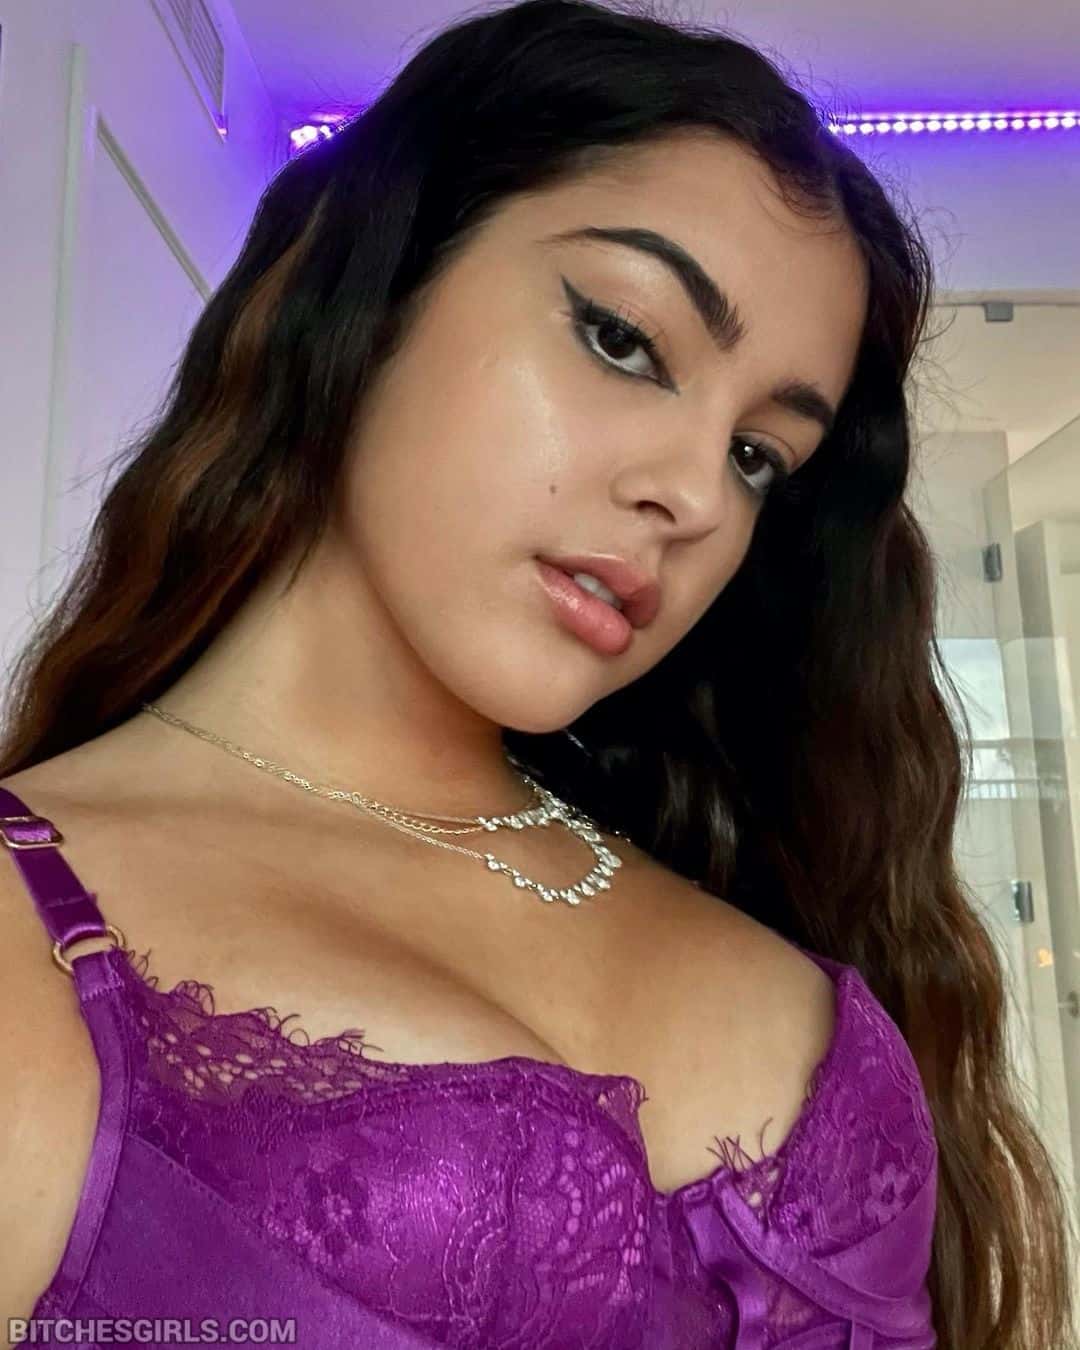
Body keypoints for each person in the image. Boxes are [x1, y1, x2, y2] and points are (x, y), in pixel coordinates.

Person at [1, 0, 1075, 1345]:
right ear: (366, 285)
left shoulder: (750, 913)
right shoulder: (33, 936)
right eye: (623, 338)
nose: (697, 495)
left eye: (759, 457)